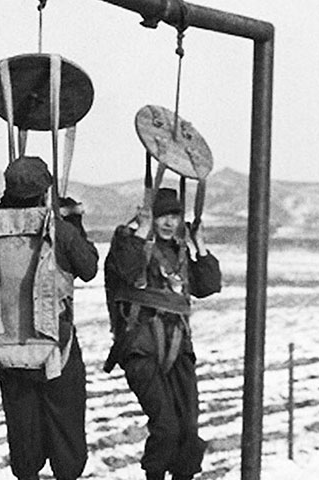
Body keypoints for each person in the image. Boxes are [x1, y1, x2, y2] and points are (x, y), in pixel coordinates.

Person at [0, 155, 99, 480]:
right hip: (56, 348)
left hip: (9, 347)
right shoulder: (58, 228)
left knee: (23, 434)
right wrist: (73, 224)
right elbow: (88, 268)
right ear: (45, 191)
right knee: (66, 433)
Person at [103, 187, 222, 480]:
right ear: (150, 217)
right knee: (166, 427)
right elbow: (128, 272)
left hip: (178, 348)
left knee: (189, 429)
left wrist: (201, 247)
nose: (169, 223)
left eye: (174, 216)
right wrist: (142, 232)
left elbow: (207, 285)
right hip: (141, 348)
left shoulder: (179, 251)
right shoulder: (128, 244)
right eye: (162, 216)